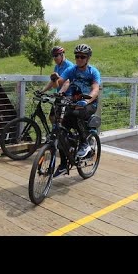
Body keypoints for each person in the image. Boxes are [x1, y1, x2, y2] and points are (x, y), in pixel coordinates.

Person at [48, 43, 101, 177]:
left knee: (77, 113)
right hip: (74, 101)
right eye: (77, 56)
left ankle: (85, 144)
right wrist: (54, 79)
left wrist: (86, 101)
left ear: (88, 58)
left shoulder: (93, 71)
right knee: (61, 130)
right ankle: (64, 165)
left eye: (82, 57)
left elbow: (95, 89)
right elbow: (60, 82)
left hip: (89, 102)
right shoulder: (72, 69)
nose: (79, 59)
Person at [40, 46, 74, 123]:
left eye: (56, 56)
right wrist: (42, 91)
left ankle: (62, 133)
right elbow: (54, 83)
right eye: (53, 56)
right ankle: (56, 133)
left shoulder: (69, 66)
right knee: (52, 117)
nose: (54, 58)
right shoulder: (57, 67)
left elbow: (67, 82)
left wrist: (60, 93)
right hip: (60, 95)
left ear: (62, 55)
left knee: (61, 119)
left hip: (68, 96)